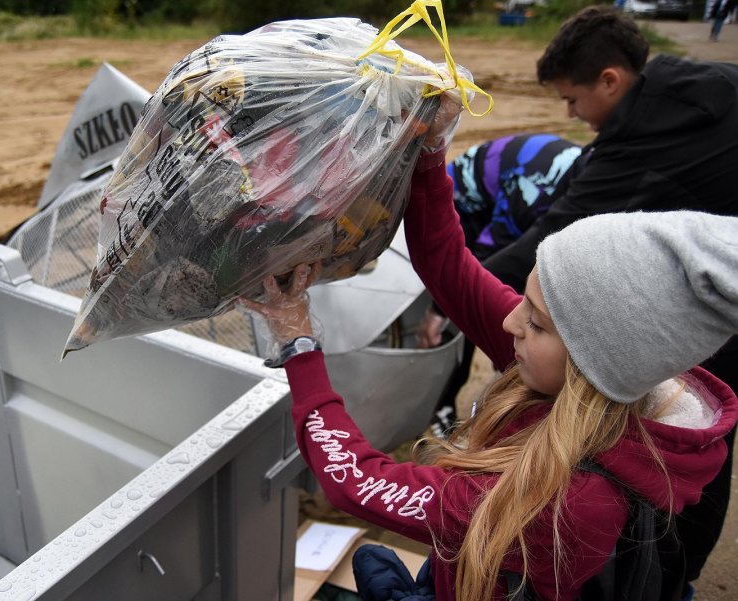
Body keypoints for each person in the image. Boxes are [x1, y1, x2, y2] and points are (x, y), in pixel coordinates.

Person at [241, 133, 738, 600]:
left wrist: (298, 343)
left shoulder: (573, 504)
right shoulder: (600, 379)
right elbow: (448, 267)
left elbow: (354, 480)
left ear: (595, 361)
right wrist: (428, 152)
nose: (510, 322)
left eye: (538, 323)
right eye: (525, 297)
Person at [453, 6, 738, 588]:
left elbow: (551, 235)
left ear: (611, 80)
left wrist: (459, 289)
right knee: (702, 443)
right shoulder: (721, 82)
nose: (572, 115)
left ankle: (664, 579)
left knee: (674, 449)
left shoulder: (634, 143)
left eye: (573, 100)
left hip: (709, 325)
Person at [418, 134, 581, 434]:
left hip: (506, 203)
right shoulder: (533, 189)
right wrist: (438, 311)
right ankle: (442, 406)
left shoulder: (581, 189)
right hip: (463, 209)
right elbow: (487, 262)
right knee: (469, 314)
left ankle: (509, 380)